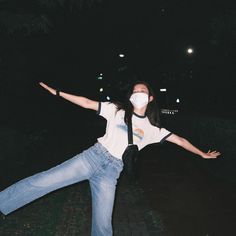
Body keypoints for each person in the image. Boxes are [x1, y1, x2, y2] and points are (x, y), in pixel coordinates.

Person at [0, 81, 220, 235]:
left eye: (142, 91)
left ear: (150, 98)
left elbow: (180, 140)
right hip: (92, 158)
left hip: (112, 171)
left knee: (104, 226)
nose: (138, 93)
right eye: (135, 90)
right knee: (43, 180)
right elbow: (87, 102)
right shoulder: (116, 109)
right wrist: (58, 93)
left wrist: (202, 154)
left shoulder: (154, 129)